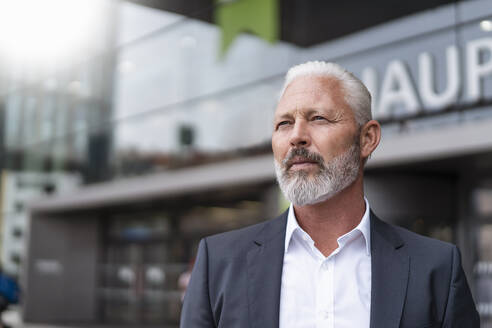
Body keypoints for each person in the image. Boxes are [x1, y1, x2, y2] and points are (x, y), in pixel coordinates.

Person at [180, 61, 480, 327]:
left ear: (367, 139)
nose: (296, 135)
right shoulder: (219, 262)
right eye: (284, 123)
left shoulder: (436, 268)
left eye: (318, 118)